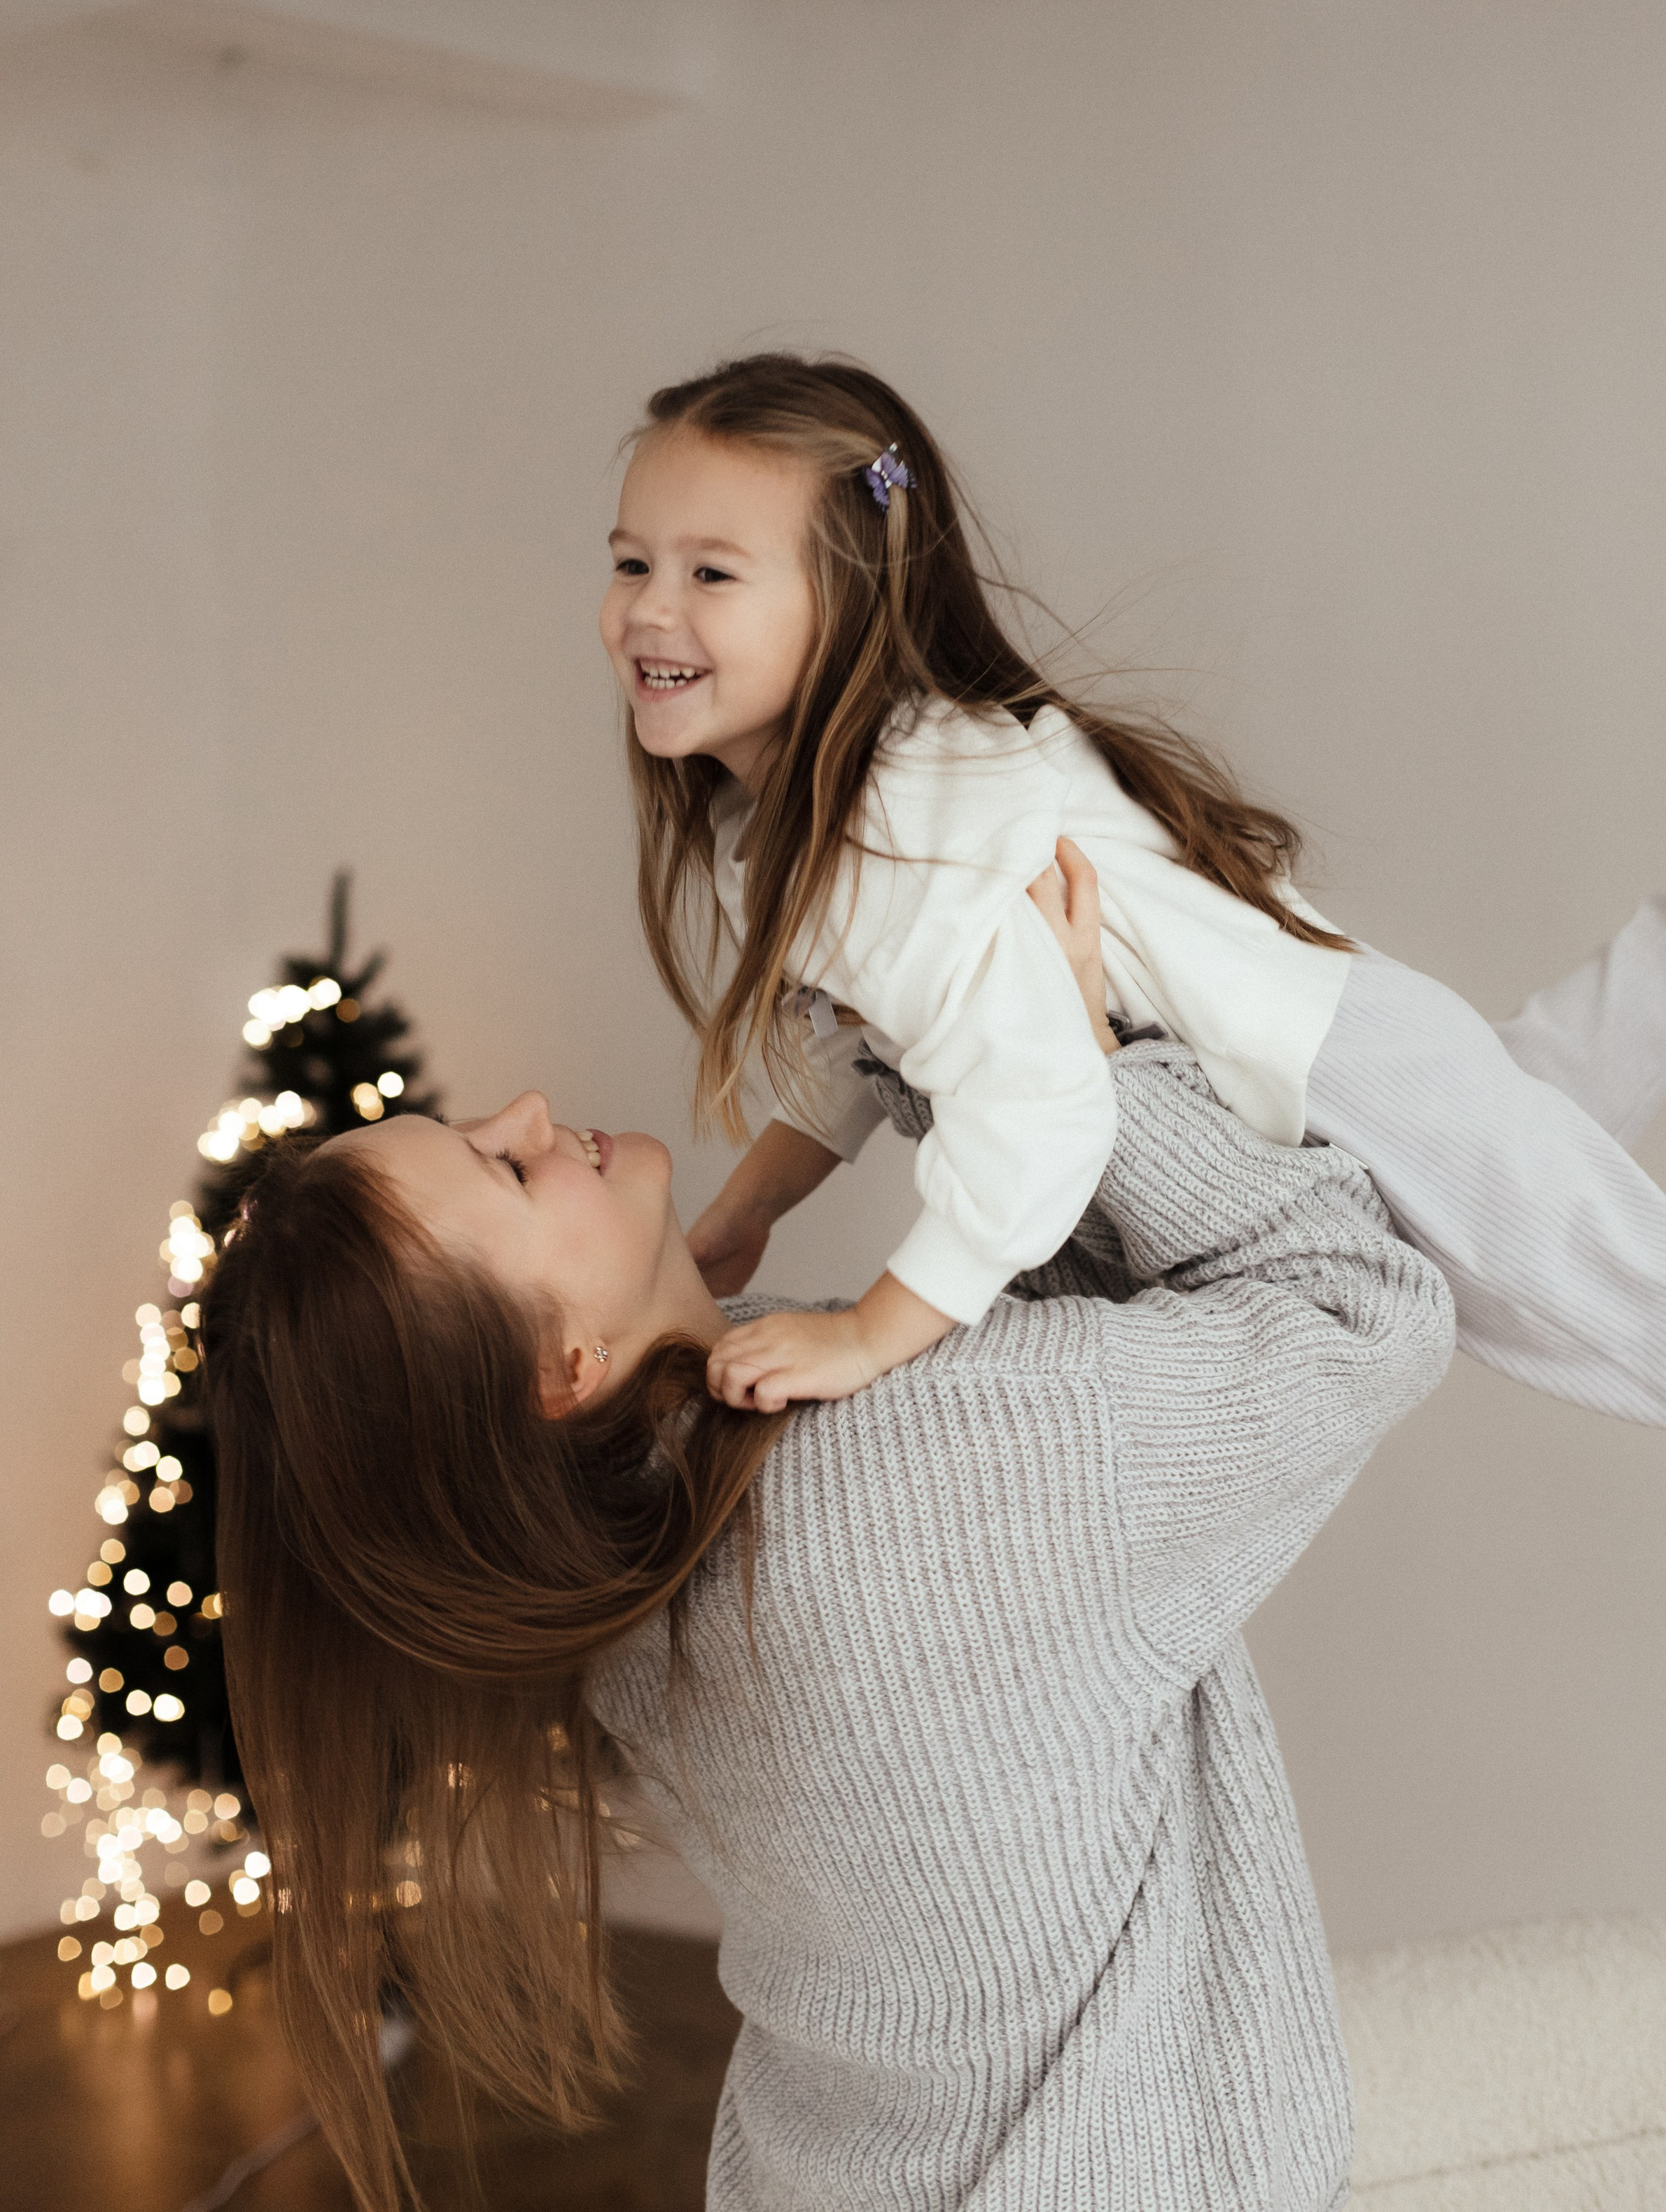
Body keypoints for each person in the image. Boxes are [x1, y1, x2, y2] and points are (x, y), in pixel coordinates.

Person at [199, 848, 1455, 2212]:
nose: (532, 1109)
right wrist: (1078, 1072)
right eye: (502, 1170)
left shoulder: (634, 1560)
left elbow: (1072, 1389)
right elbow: (1357, 1307)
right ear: (559, 1371)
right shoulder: (891, 1483)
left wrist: (989, 1065)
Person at [603, 352, 1666, 1429]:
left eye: (712, 572)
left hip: (1340, 1078)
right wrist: (749, 1211)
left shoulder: (898, 834)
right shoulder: (789, 816)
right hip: (1338, 1058)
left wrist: (874, 1330)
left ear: (854, 604)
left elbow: (1039, 1114)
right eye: (632, 562)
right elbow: (864, 1038)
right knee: (1534, 1119)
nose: (652, 608)